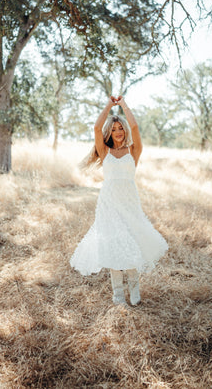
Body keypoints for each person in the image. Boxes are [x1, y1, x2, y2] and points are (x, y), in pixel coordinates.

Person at [70, 95, 168, 306]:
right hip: (109, 202)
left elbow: (135, 125)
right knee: (113, 243)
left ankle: (134, 289)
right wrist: (108, 105)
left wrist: (122, 105)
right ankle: (117, 294)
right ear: (110, 133)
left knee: (130, 241)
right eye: (114, 130)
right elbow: (97, 129)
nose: (118, 132)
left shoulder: (133, 151)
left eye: (120, 129)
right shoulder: (105, 151)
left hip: (129, 201)